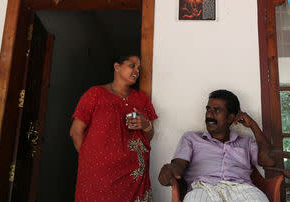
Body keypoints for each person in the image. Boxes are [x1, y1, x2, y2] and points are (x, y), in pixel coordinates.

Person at [158, 90, 274, 202]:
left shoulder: (246, 142)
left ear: (230, 118)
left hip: (242, 189)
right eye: (208, 109)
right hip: (203, 188)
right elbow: (179, 164)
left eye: (216, 110)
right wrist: (170, 169)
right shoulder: (191, 138)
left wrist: (254, 126)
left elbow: (268, 161)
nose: (209, 114)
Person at [70, 54, 157, 202]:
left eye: (139, 68)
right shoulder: (95, 94)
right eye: (132, 65)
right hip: (100, 176)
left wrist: (146, 124)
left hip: (134, 176)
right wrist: (92, 161)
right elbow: (75, 132)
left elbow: (148, 136)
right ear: (117, 67)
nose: (136, 70)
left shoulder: (142, 98)